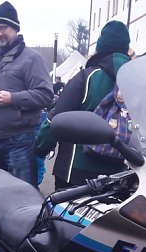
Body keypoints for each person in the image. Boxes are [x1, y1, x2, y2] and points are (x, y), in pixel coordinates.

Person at [34, 21, 132, 188]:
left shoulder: (86, 78)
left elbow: (57, 118)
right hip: (122, 173)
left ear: (100, 47)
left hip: (76, 172)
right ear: (126, 48)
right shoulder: (137, 82)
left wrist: (40, 148)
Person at [0, 2, 53, 186]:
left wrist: (13, 98)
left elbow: (46, 95)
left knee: (22, 195)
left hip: (19, 142)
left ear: (15, 28)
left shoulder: (31, 58)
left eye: (3, 27)